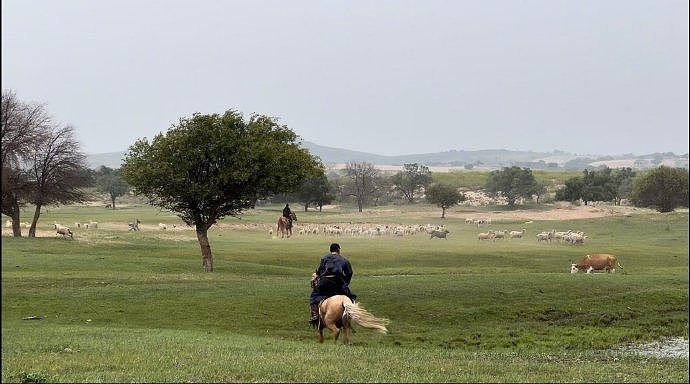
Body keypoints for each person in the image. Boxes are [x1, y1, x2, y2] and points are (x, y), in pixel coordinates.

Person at [308, 243, 357, 325]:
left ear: (330, 250)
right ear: (338, 250)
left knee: (314, 295)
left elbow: (319, 272)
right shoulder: (344, 260)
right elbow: (349, 273)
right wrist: (345, 283)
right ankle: (351, 314)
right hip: (338, 282)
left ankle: (315, 315)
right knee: (350, 296)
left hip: (325, 282)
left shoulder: (324, 258)